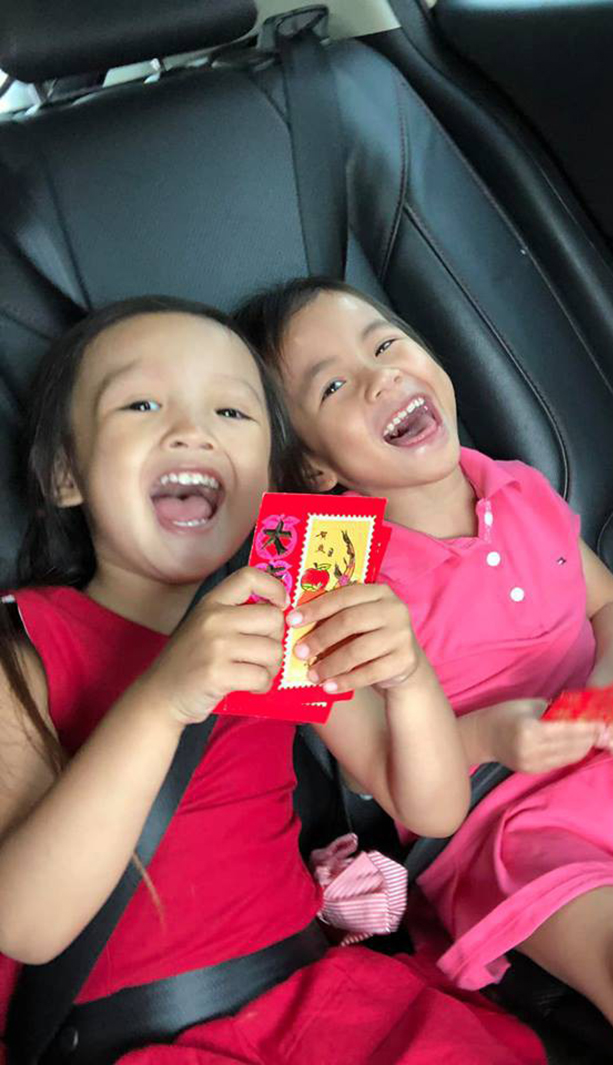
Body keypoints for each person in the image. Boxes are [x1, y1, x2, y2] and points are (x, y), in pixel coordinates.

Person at [238, 276, 613, 1065]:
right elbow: (396, 787)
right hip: (502, 828)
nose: (380, 375)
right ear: (315, 465)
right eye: (333, 385)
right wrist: (491, 733)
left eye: (386, 343)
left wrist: (609, 684)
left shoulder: (515, 483)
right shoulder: (317, 572)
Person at [0, 296, 548, 1065]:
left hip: (327, 1008)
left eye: (231, 411)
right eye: (142, 404)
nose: (193, 430)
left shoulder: (287, 619)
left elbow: (431, 804)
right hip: (135, 1040)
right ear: (65, 472)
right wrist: (162, 698)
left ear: (268, 480)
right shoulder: (29, 644)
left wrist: (408, 675)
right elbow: (27, 924)